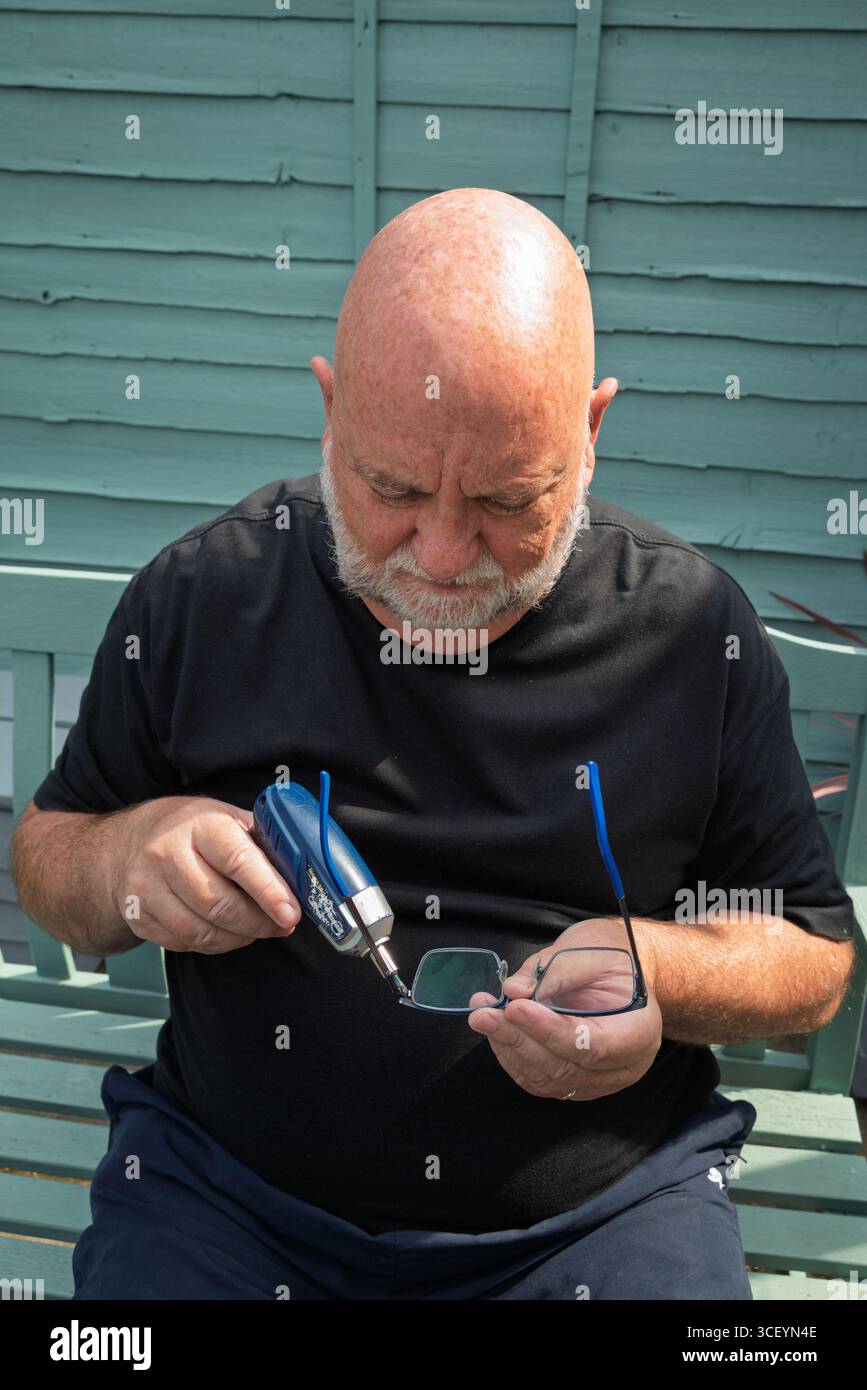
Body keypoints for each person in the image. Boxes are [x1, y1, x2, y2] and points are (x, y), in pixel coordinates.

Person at [11, 188, 855, 1301]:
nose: (447, 557)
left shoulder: (694, 632)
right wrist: (126, 860)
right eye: (391, 488)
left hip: (596, 1219)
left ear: (590, 433)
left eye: (510, 498)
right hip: (227, 1200)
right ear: (330, 413)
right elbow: (48, 861)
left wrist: (659, 965)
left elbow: (814, 952)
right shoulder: (206, 593)